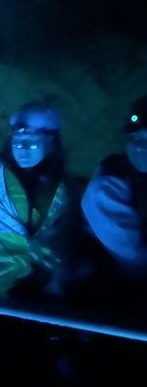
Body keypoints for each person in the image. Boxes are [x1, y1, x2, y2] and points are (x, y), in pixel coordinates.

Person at [0, 101, 72, 298]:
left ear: (50, 144)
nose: (22, 148)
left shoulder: (60, 187)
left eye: (31, 142)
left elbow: (63, 235)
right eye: (16, 141)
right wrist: (33, 252)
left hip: (44, 281)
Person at [82, 95, 147, 291]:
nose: (139, 147)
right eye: (134, 138)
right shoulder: (107, 188)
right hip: (120, 287)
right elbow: (137, 258)